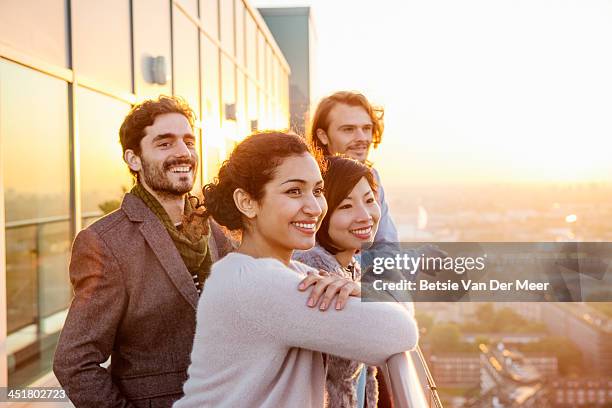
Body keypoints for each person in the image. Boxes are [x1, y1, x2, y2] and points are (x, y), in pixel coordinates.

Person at [174, 132, 419, 408]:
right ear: (247, 202)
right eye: (294, 191)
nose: (314, 207)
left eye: (317, 191)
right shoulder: (262, 285)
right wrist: (366, 294)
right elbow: (401, 331)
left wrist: (360, 290)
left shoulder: (287, 271)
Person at [53, 96, 233, 407]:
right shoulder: (106, 242)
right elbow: (74, 362)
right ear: (134, 159)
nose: (183, 152)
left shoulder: (214, 228)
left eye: (188, 141)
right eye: (165, 143)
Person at [294, 155, 391, 408]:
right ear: (321, 212)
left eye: (369, 200)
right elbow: (392, 332)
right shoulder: (313, 271)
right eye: (346, 206)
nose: (365, 216)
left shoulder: (350, 266)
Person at [309, 91, 398, 243]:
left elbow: (386, 244)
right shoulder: (308, 181)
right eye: (348, 129)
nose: (362, 138)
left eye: (366, 128)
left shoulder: (372, 177)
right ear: (323, 136)